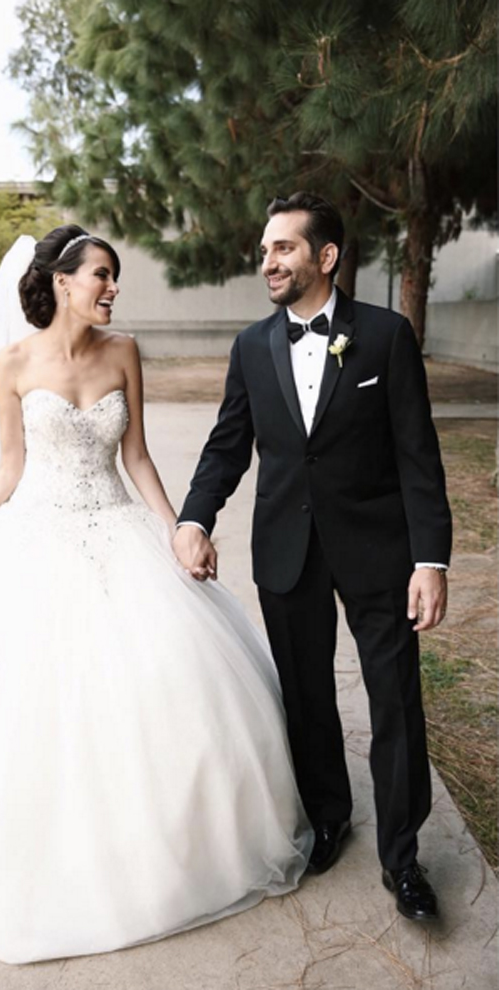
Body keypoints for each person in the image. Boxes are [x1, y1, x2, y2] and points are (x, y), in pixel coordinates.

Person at [0, 224, 313, 965]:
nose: (110, 289)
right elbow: (8, 474)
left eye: (115, 278)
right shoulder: (12, 364)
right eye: (100, 275)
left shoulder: (124, 353)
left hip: (120, 528)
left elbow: (134, 455)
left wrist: (178, 531)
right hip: (37, 536)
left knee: (171, 677)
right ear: (62, 282)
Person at [173, 192, 452, 923]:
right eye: (265, 249)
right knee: (306, 698)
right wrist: (194, 516)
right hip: (287, 551)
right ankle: (330, 816)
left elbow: (418, 458)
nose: (268, 261)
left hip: (379, 551)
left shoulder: (387, 338)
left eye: (284, 248)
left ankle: (403, 858)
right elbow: (229, 445)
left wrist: (431, 561)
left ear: (325, 258)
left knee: (395, 700)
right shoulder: (250, 348)